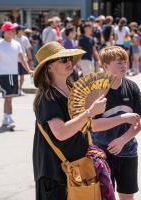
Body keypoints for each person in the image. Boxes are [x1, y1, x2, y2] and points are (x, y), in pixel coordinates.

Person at [32, 41, 107, 199]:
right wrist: (89, 112)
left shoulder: (72, 89)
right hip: (55, 174)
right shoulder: (47, 96)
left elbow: (86, 125)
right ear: (49, 66)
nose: (69, 61)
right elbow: (60, 132)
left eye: (69, 58)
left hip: (79, 167)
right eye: (63, 59)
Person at [92, 46, 141, 200]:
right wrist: (123, 118)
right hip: (101, 153)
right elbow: (94, 125)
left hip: (128, 151)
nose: (124, 66)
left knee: (127, 196)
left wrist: (123, 140)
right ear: (105, 66)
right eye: (118, 63)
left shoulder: (132, 87)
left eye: (125, 62)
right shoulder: (96, 90)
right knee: (103, 196)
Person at [0, 21, 33, 129]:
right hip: (3, 74)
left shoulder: (17, 44)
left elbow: (22, 58)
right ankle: (10, 118)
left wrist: (29, 69)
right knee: (8, 97)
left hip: (13, 74)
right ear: (5, 32)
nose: (14, 32)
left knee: (8, 98)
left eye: (14, 30)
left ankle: (5, 117)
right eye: (11, 30)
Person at [15, 25, 33, 95]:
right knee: (15, 76)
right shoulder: (13, 38)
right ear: (18, 31)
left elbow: (28, 50)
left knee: (22, 76)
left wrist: (30, 59)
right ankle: (15, 89)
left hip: (23, 60)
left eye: (23, 30)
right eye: (22, 30)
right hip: (15, 60)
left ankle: (20, 89)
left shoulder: (25, 39)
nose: (23, 31)